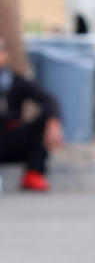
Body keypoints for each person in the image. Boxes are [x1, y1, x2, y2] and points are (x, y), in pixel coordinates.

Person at [0, 34, 64, 193]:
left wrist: (53, 122)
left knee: (45, 120)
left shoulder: (15, 82)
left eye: (1, 50)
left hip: (9, 141)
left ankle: (33, 173)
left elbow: (48, 99)